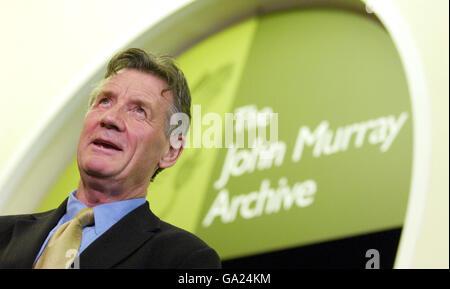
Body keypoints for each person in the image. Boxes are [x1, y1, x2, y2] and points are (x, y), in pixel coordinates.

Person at [0, 48, 221, 269]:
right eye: (105, 101)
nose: (110, 118)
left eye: (139, 111)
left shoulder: (185, 259)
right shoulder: (4, 235)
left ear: (171, 151)